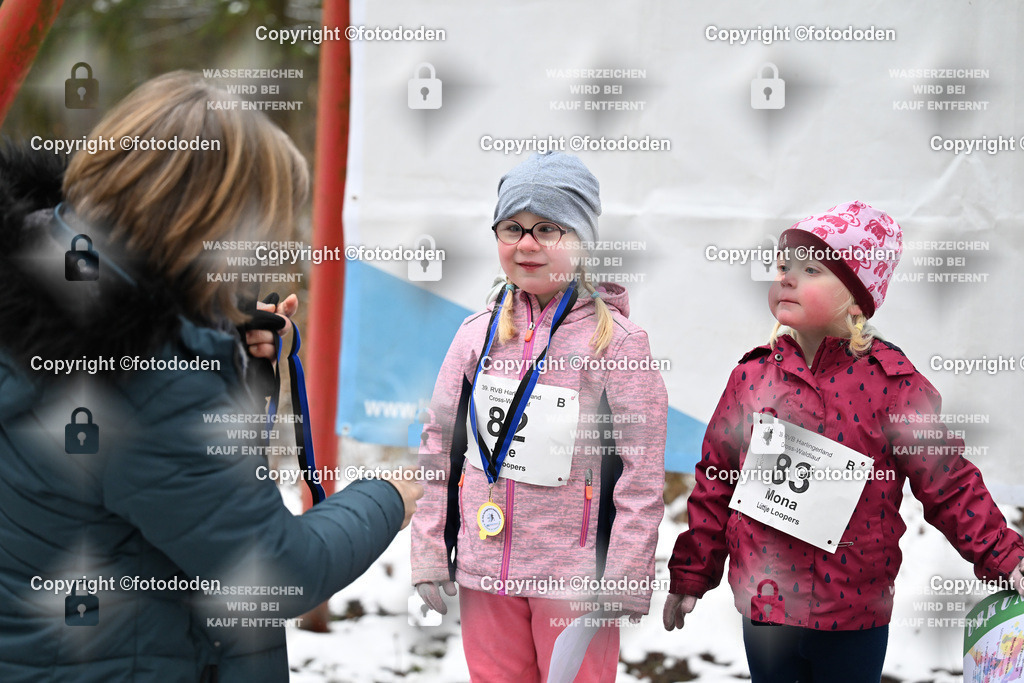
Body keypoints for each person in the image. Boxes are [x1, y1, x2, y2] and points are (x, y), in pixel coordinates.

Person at [0, 71, 421, 682]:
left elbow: (182, 491)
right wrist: (390, 498)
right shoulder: (153, 383)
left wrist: (230, 353)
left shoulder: (45, 266)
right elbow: (274, 573)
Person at [663, 201, 1024, 682]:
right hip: (766, 606)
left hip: (855, 611)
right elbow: (717, 480)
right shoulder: (751, 379)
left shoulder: (895, 386)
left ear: (856, 298)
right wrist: (693, 571)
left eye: (811, 269)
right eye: (784, 267)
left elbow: (949, 484)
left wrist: (1005, 556)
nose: (787, 278)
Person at [411, 152, 667, 682]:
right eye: (512, 227)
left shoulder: (618, 345)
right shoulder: (474, 335)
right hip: (486, 570)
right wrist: (431, 547)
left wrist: (623, 575)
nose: (526, 244)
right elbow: (440, 445)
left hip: (574, 583)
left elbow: (641, 476)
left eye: (547, 228)